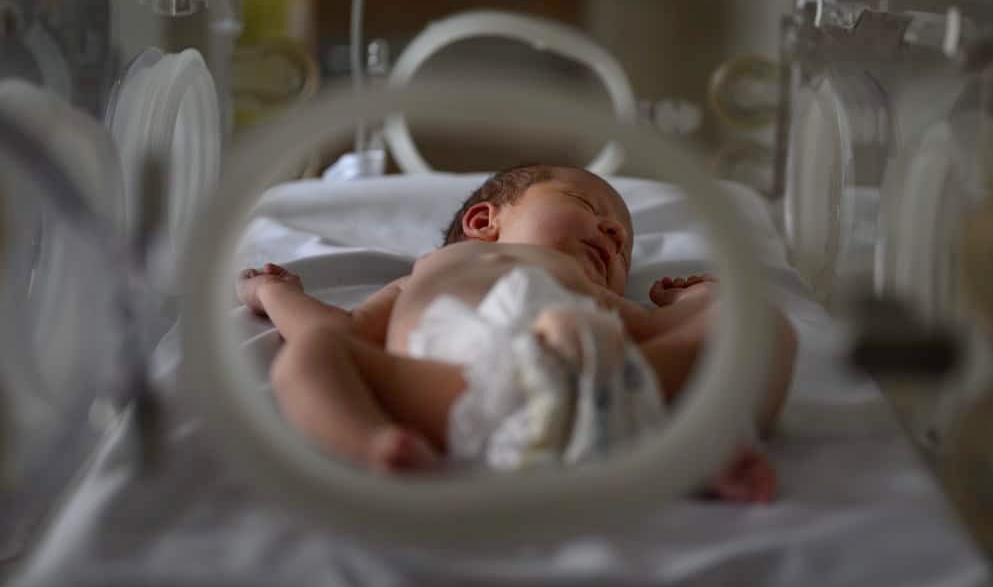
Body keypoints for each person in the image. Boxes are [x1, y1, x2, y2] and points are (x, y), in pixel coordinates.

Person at [236, 165, 796, 501]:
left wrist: (694, 298)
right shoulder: (436, 267)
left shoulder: (587, 287)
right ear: (484, 222)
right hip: (462, 386)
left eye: (623, 246)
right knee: (312, 353)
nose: (612, 233)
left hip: (604, 377)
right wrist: (275, 294)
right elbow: (345, 330)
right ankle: (377, 444)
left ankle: (705, 443)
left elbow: (656, 328)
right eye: (586, 206)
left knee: (762, 323)